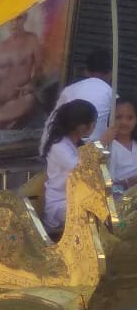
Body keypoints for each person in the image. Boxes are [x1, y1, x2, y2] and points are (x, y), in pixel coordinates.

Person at [42, 99, 99, 231]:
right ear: (81, 127)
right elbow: (81, 170)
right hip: (60, 204)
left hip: (79, 198)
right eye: (93, 123)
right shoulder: (59, 146)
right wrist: (103, 142)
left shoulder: (76, 144)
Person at [44, 49, 114, 146]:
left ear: (86, 72)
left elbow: (51, 124)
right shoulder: (112, 94)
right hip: (93, 153)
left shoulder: (68, 90)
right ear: (110, 73)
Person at [110, 99, 137, 190]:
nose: (124, 122)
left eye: (130, 118)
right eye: (118, 117)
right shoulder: (110, 147)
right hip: (123, 201)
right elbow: (108, 187)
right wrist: (129, 182)